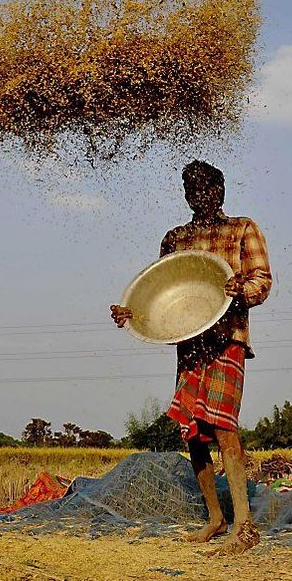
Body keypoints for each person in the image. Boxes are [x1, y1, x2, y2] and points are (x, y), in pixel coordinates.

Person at [110, 160, 272, 555]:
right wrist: (133, 314)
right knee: (194, 432)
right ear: (186, 195)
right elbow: (162, 292)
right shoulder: (175, 238)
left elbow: (262, 280)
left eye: (206, 187)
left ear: (220, 191)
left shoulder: (241, 228)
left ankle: (244, 526)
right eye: (191, 189)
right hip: (191, 344)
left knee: (222, 426)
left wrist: (239, 290)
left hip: (226, 338)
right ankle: (215, 519)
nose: (199, 195)